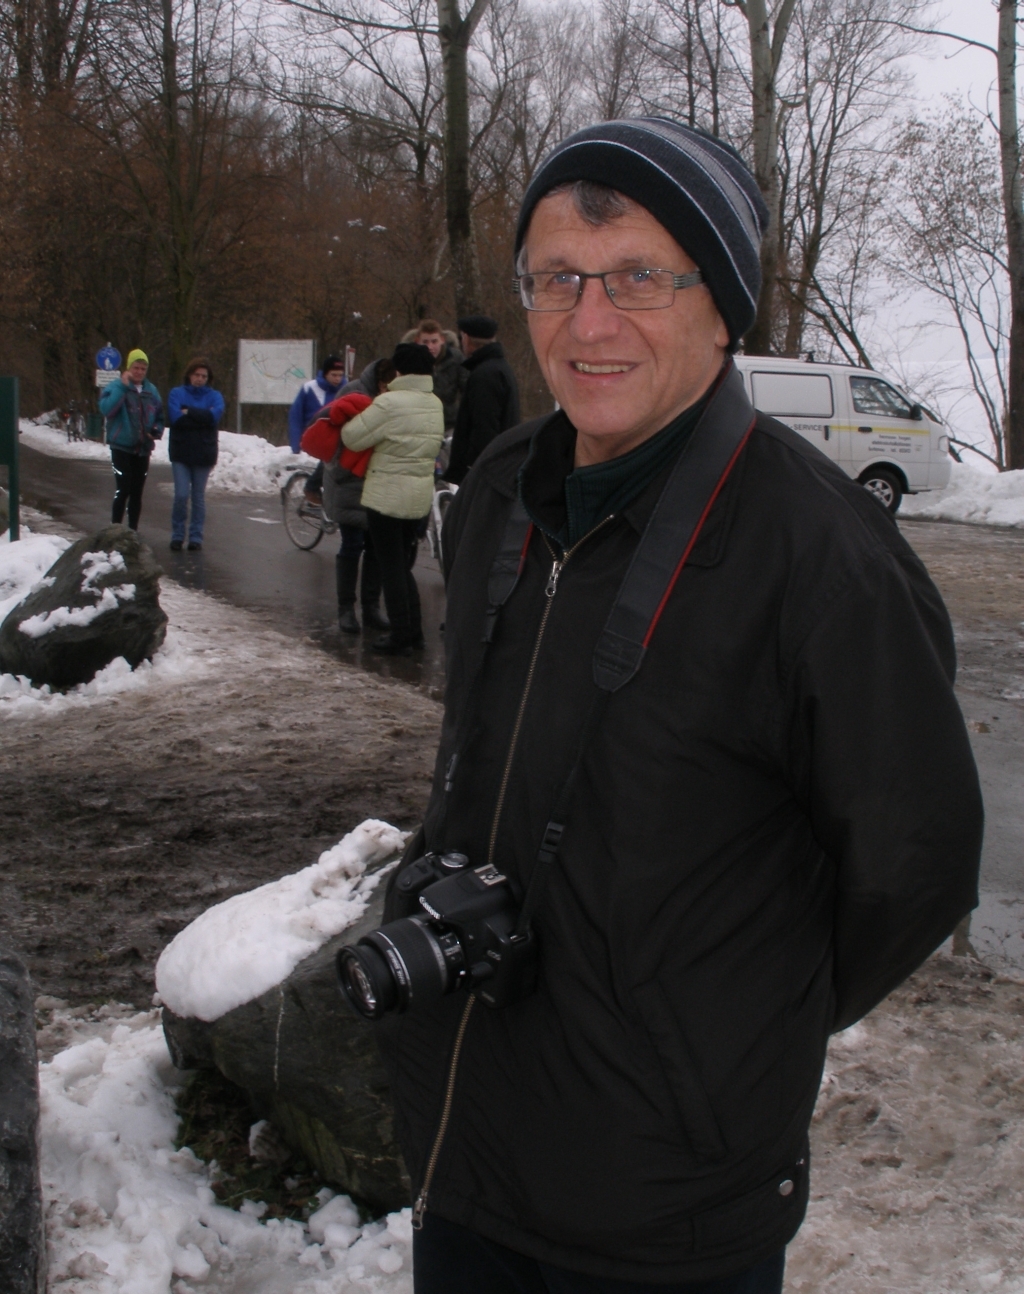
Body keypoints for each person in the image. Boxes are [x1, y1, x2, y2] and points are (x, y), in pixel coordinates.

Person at [373, 120, 984, 1293]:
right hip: (465, 1140)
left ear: (723, 307)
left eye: (641, 277)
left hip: (664, 1206)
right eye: (556, 278)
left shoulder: (823, 558)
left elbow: (914, 867)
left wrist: (712, 1031)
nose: (588, 322)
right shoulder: (503, 483)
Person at [341, 343, 444, 655]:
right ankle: (415, 633)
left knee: (391, 569)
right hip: (417, 499)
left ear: (400, 370)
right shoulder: (434, 403)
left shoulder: (389, 403)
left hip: (386, 498)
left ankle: (401, 634)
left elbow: (352, 437)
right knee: (403, 566)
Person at [322, 357, 395, 634]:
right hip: (348, 482)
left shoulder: (394, 399)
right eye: (386, 386)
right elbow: (334, 433)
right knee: (352, 545)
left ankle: (371, 607)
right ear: (379, 381)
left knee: (375, 547)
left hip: (377, 481)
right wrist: (340, 472)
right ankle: (346, 608)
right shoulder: (353, 393)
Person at [444, 314, 520, 485]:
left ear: (466, 338)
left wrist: (475, 469)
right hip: (498, 465)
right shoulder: (498, 368)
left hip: (485, 472)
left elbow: (485, 427)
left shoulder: (485, 375)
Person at [99, 348, 163, 530]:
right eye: (136, 368)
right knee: (123, 489)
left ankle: (132, 531)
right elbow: (107, 410)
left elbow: (160, 416)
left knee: (137, 492)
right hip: (121, 447)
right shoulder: (115, 386)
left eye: (143, 369)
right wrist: (123, 386)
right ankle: (115, 529)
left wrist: (156, 430)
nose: (139, 372)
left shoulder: (152, 391)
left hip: (142, 449)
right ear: (129, 368)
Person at [166, 357, 224, 552]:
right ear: (189, 375)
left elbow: (214, 416)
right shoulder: (176, 393)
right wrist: (201, 416)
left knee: (198, 496)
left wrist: (188, 411)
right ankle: (177, 535)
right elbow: (175, 418)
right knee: (181, 494)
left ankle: (196, 537)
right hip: (181, 451)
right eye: (197, 375)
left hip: (204, 452)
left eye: (204, 376)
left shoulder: (215, 396)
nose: (200, 379)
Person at [288, 353, 347, 504]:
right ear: (325, 373)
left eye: (340, 375)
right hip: (315, 434)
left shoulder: (347, 389)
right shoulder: (310, 388)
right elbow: (296, 415)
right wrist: (296, 444)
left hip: (339, 435)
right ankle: (312, 487)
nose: (337, 379)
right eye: (333, 375)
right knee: (331, 457)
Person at [401, 320, 465, 434]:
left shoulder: (456, 359)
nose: (430, 347)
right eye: (425, 342)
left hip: (448, 423)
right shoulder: (408, 361)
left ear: (442, 340)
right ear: (417, 342)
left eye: (434, 341)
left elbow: (467, 389)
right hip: (418, 425)